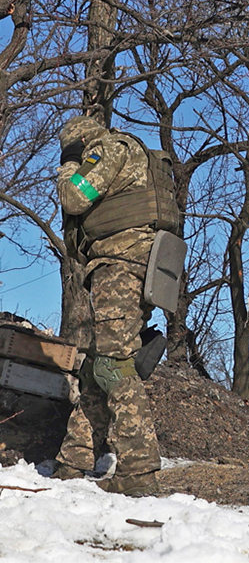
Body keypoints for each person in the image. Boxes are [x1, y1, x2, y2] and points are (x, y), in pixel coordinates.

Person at [52, 114, 179, 496]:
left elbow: (76, 196)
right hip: (144, 262)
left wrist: (70, 164)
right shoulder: (134, 154)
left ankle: (139, 471)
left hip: (122, 262)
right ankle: (73, 460)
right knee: (97, 364)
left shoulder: (106, 150)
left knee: (113, 364)